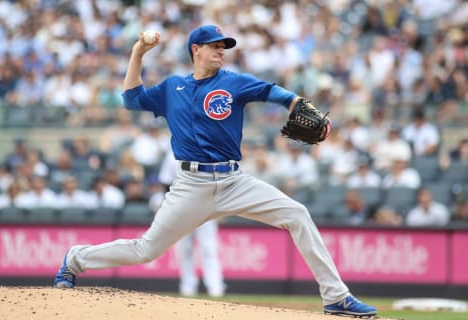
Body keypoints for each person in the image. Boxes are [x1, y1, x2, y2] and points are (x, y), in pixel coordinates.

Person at [54, 25, 377, 317]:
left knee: (297, 214)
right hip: (191, 185)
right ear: (196, 49)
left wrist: (296, 104)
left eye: (223, 46)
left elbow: (271, 91)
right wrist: (138, 52)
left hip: (233, 181)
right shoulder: (172, 88)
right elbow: (131, 99)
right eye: (214, 46)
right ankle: (76, 259)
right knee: (147, 250)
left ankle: (336, 297)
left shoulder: (233, 82)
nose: (221, 51)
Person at [158, 148, 225, 298]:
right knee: (185, 249)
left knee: (209, 248)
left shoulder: (208, 150)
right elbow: (165, 182)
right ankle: (188, 287)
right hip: (181, 209)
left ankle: (215, 287)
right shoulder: (172, 153)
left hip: (205, 207)